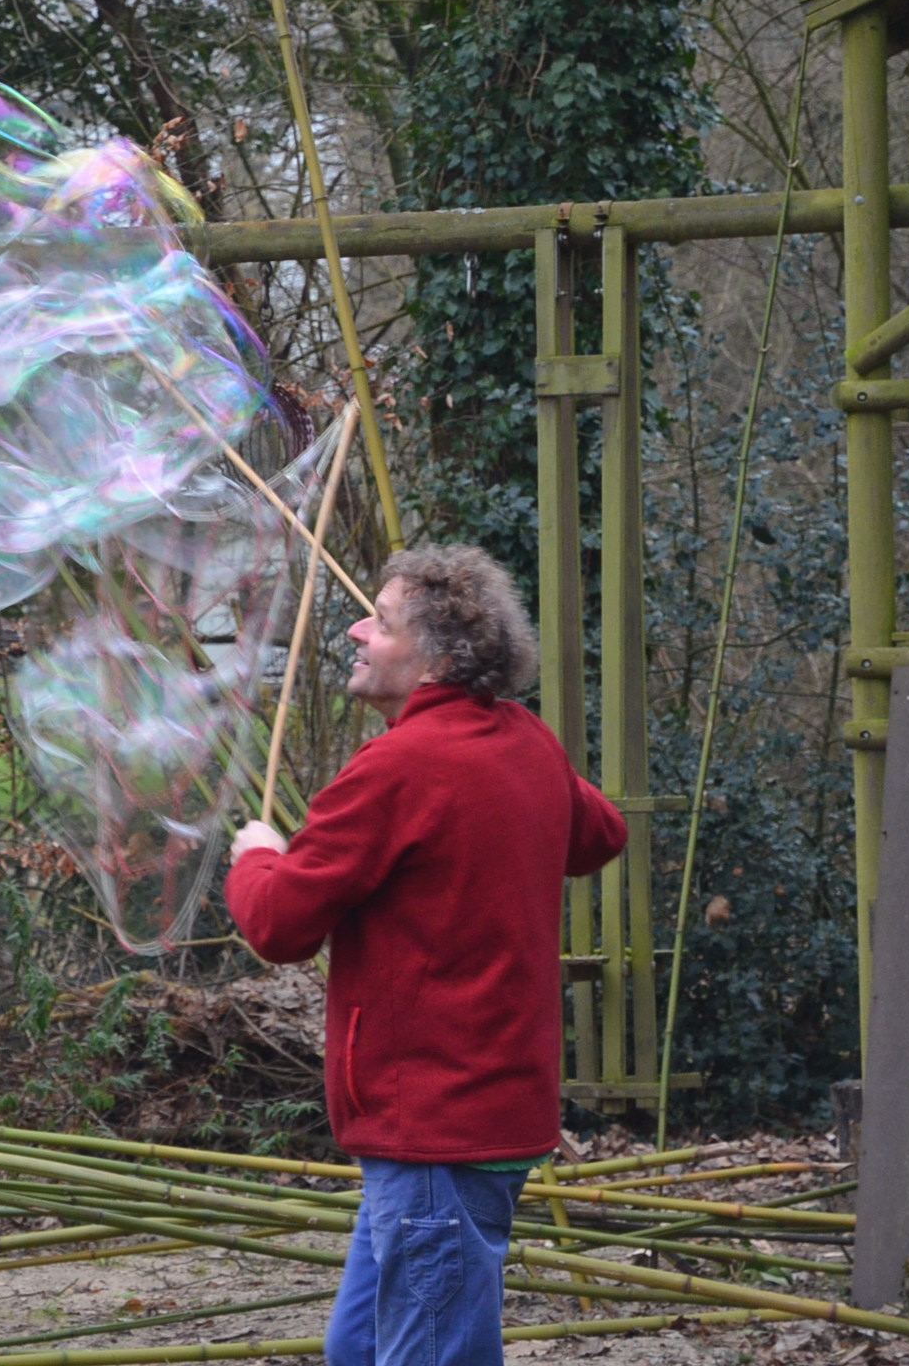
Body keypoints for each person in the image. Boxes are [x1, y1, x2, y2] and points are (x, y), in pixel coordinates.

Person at [225, 546, 627, 1366]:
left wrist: (256, 856)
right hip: (487, 1113)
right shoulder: (524, 739)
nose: (356, 627)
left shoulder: (397, 767)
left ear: (436, 654)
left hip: (436, 1124)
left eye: (379, 618)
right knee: (360, 1348)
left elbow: (277, 925)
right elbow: (601, 834)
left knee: (425, 1352)